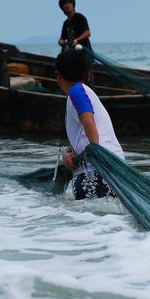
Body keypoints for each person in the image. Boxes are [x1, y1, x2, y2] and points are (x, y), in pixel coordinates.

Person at [55, 49, 125, 200]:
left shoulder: (76, 91)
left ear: (59, 76)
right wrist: (67, 155)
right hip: (113, 167)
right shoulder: (84, 92)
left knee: (91, 220)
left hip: (96, 169)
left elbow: (88, 120)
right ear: (87, 74)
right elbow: (82, 134)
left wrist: (93, 148)